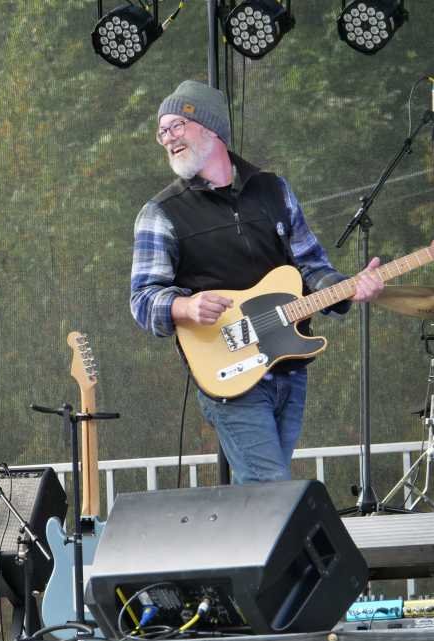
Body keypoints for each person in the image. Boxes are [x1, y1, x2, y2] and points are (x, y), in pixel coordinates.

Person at [130, 80, 384, 484]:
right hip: (228, 374)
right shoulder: (160, 212)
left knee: (259, 497)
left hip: (289, 365)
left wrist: (350, 287)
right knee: (270, 489)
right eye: (162, 132)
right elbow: (142, 299)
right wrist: (185, 306)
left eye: (176, 125)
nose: (168, 139)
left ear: (211, 128)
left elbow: (310, 265)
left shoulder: (274, 190)